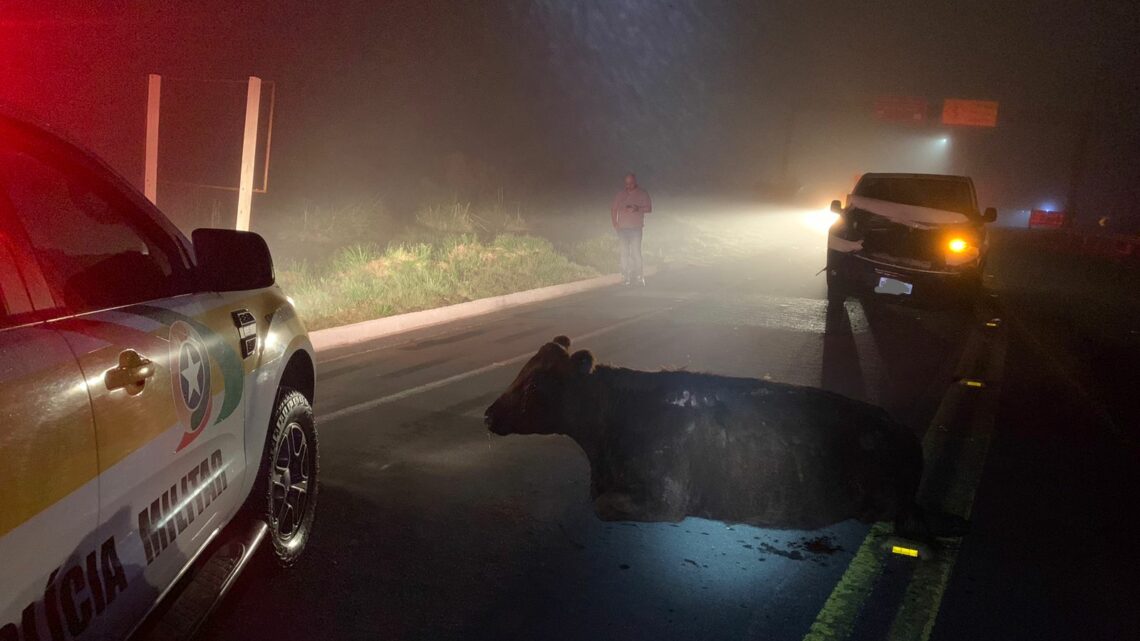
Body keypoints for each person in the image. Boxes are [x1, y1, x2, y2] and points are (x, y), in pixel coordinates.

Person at [610, 172, 652, 286]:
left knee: (636, 253)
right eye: (627, 183)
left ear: (635, 181)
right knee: (624, 253)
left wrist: (637, 208)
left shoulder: (642, 193)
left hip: (636, 229)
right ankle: (625, 276)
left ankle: (639, 276)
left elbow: (649, 208)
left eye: (631, 183)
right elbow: (613, 209)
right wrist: (615, 223)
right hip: (622, 229)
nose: (629, 185)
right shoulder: (620, 194)